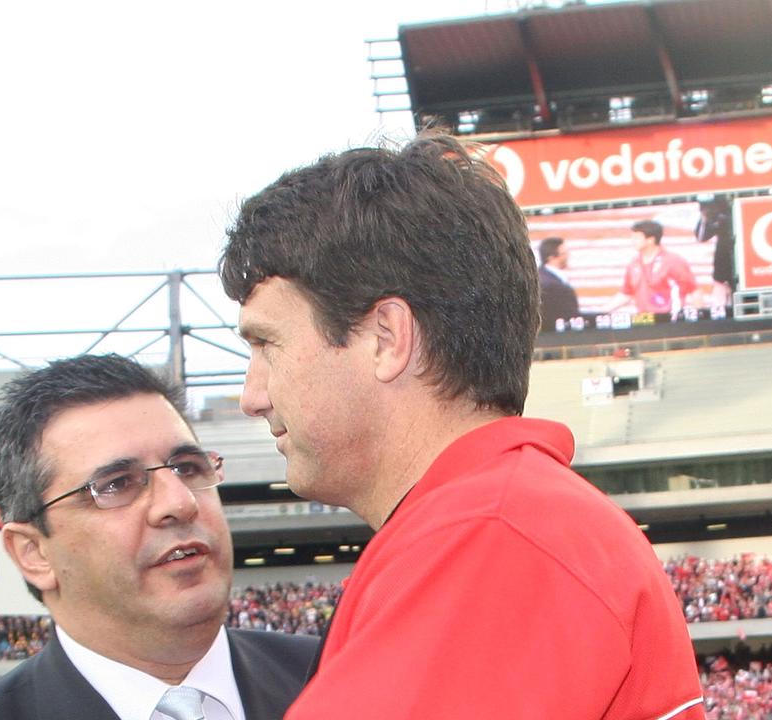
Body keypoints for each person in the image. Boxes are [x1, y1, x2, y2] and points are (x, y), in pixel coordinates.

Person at [221, 133, 704, 718]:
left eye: (267, 344)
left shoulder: (490, 533)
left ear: (386, 338)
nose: (252, 396)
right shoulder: (504, 518)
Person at [0, 354, 317, 720]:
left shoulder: (333, 679)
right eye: (117, 484)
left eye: (188, 468)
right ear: (34, 553)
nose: (180, 501)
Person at [604, 219, 702, 315]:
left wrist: (700, 320)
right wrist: (601, 312)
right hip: (645, 321)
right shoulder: (634, 263)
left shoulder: (673, 262)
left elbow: (694, 290)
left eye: (637, 238)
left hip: (669, 321)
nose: (632, 241)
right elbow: (626, 293)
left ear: (650, 240)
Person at [537, 236, 581, 331]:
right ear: (551, 258)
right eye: (564, 253)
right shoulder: (554, 286)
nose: (569, 256)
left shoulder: (540, 277)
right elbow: (572, 317)